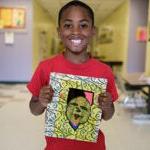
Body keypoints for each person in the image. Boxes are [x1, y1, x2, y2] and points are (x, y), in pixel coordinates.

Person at [27, 0, 118, 150]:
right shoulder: (46, 68)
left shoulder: (104, 71)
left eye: (83, 25)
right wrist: (42, 102)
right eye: (68, 25)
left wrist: (107, 106)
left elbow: (108, 116)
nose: (76, 31)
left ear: (93, 30)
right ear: (59, 31)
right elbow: (33, 109)